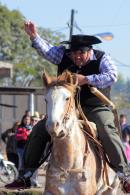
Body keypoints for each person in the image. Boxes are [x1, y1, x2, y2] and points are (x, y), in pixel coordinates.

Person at [5, 20, 130, 193]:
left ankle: (124, 174)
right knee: (40, 130)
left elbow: (112, 75)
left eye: (81, 53)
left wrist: (86, 79)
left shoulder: (102, 58)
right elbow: (47, 50)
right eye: (73, 53)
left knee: (106, 128)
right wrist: (34, 36)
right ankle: (26, 175)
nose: (76, 56)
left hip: (95, 107)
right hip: (66, 109)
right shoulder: (64, 55)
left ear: (89, 51)